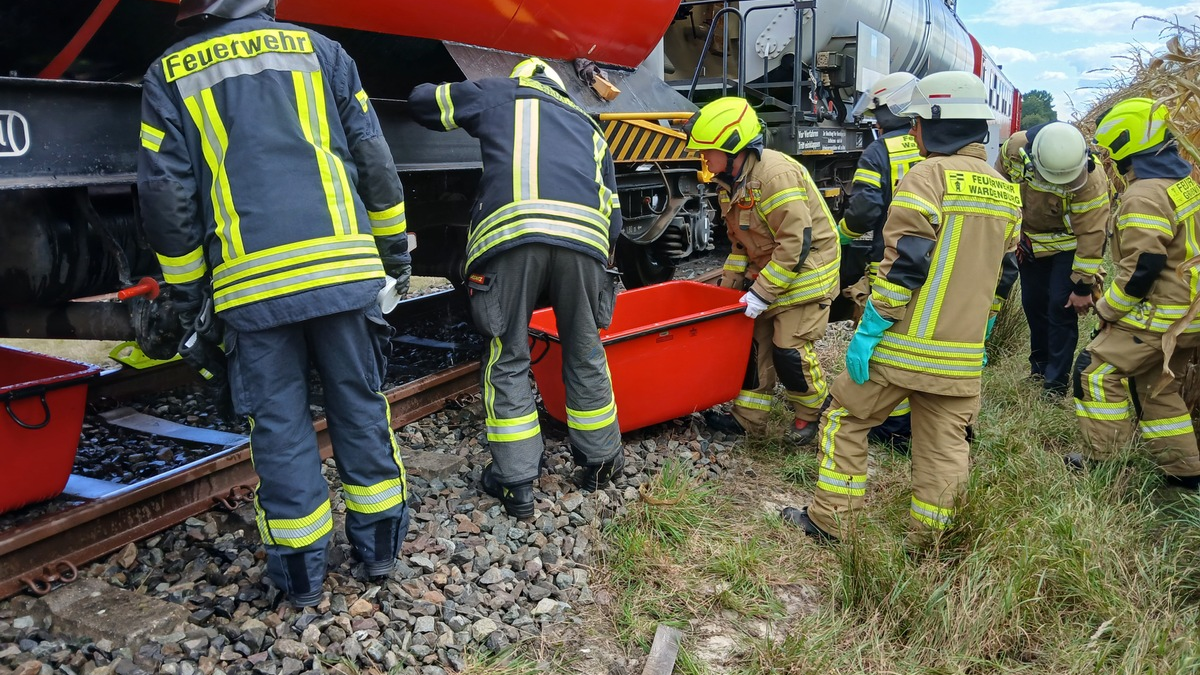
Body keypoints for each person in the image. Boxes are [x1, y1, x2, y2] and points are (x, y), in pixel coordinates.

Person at [137, 0, 412, 606]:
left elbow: (167, 196)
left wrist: (188, 295)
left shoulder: (170, 72)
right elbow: (373, 158)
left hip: (252, 288)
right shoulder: (320, 50)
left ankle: (301, 579)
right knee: (360, 406)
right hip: (344, 272)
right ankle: (380, 552)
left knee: (281, 428)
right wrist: (393, 253)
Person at [781, 71, 1021, 546]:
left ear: (935, 122)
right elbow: (1006, 273)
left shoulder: (927, 176)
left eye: (916, 121)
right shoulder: (1004, 189)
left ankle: (832, 522)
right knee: (944, 445)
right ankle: (931, 541)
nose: (912, 131)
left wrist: (871, 326)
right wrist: (985, 326)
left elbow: (908, 259)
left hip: (903, 347)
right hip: (962, 355)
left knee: (844, 421)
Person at [408, 57, 625, 519]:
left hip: (511, 241)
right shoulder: (588, 125)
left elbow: (425, 104)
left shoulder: (499, 93)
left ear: (520, 80)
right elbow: (615, 214)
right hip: (585, 245)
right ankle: (600, 463)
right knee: (585, 350)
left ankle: (517, 483)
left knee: (507, 359)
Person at [689, 97, 841, 445]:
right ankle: (748, 420)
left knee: (789, 350)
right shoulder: (730, 183)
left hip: (807, 272)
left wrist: (760, 293)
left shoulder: (775, 175)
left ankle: (812, 416)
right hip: (773, 273)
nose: (704, 160)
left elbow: (796, 243)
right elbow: (741, 245)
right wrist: (728, 292)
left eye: (707, 151)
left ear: (733, 148)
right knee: (753, 347)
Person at [1071, 98, 1200, 488]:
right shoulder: (1185, 183)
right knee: (1156, 387)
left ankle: (1106, 463)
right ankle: (1184, 471)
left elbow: (1144, 267)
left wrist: (1109, 309)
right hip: (1188, 316)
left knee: (1093, 373)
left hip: (1162, 316)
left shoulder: (1143, 194)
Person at [838, 72, 924, 447]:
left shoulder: (880, 151)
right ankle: (915, 421)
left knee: (884, 345)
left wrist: (843, 233)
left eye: (879, 110)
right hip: (932, 260)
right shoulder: (930, 146)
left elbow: (865, 209)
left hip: (889, 259)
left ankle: (892, 426)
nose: (875, 118)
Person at [997, 121, 1111, 398]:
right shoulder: (1014, 148)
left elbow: (1092, 234)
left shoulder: (1091, 180)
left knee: (1060, 308)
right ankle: (1039, 368)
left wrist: (1083, 286)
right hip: (1029, 243)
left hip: (1069, 248)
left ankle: (1055, 384)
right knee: (1033, 304)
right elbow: (999, 185)